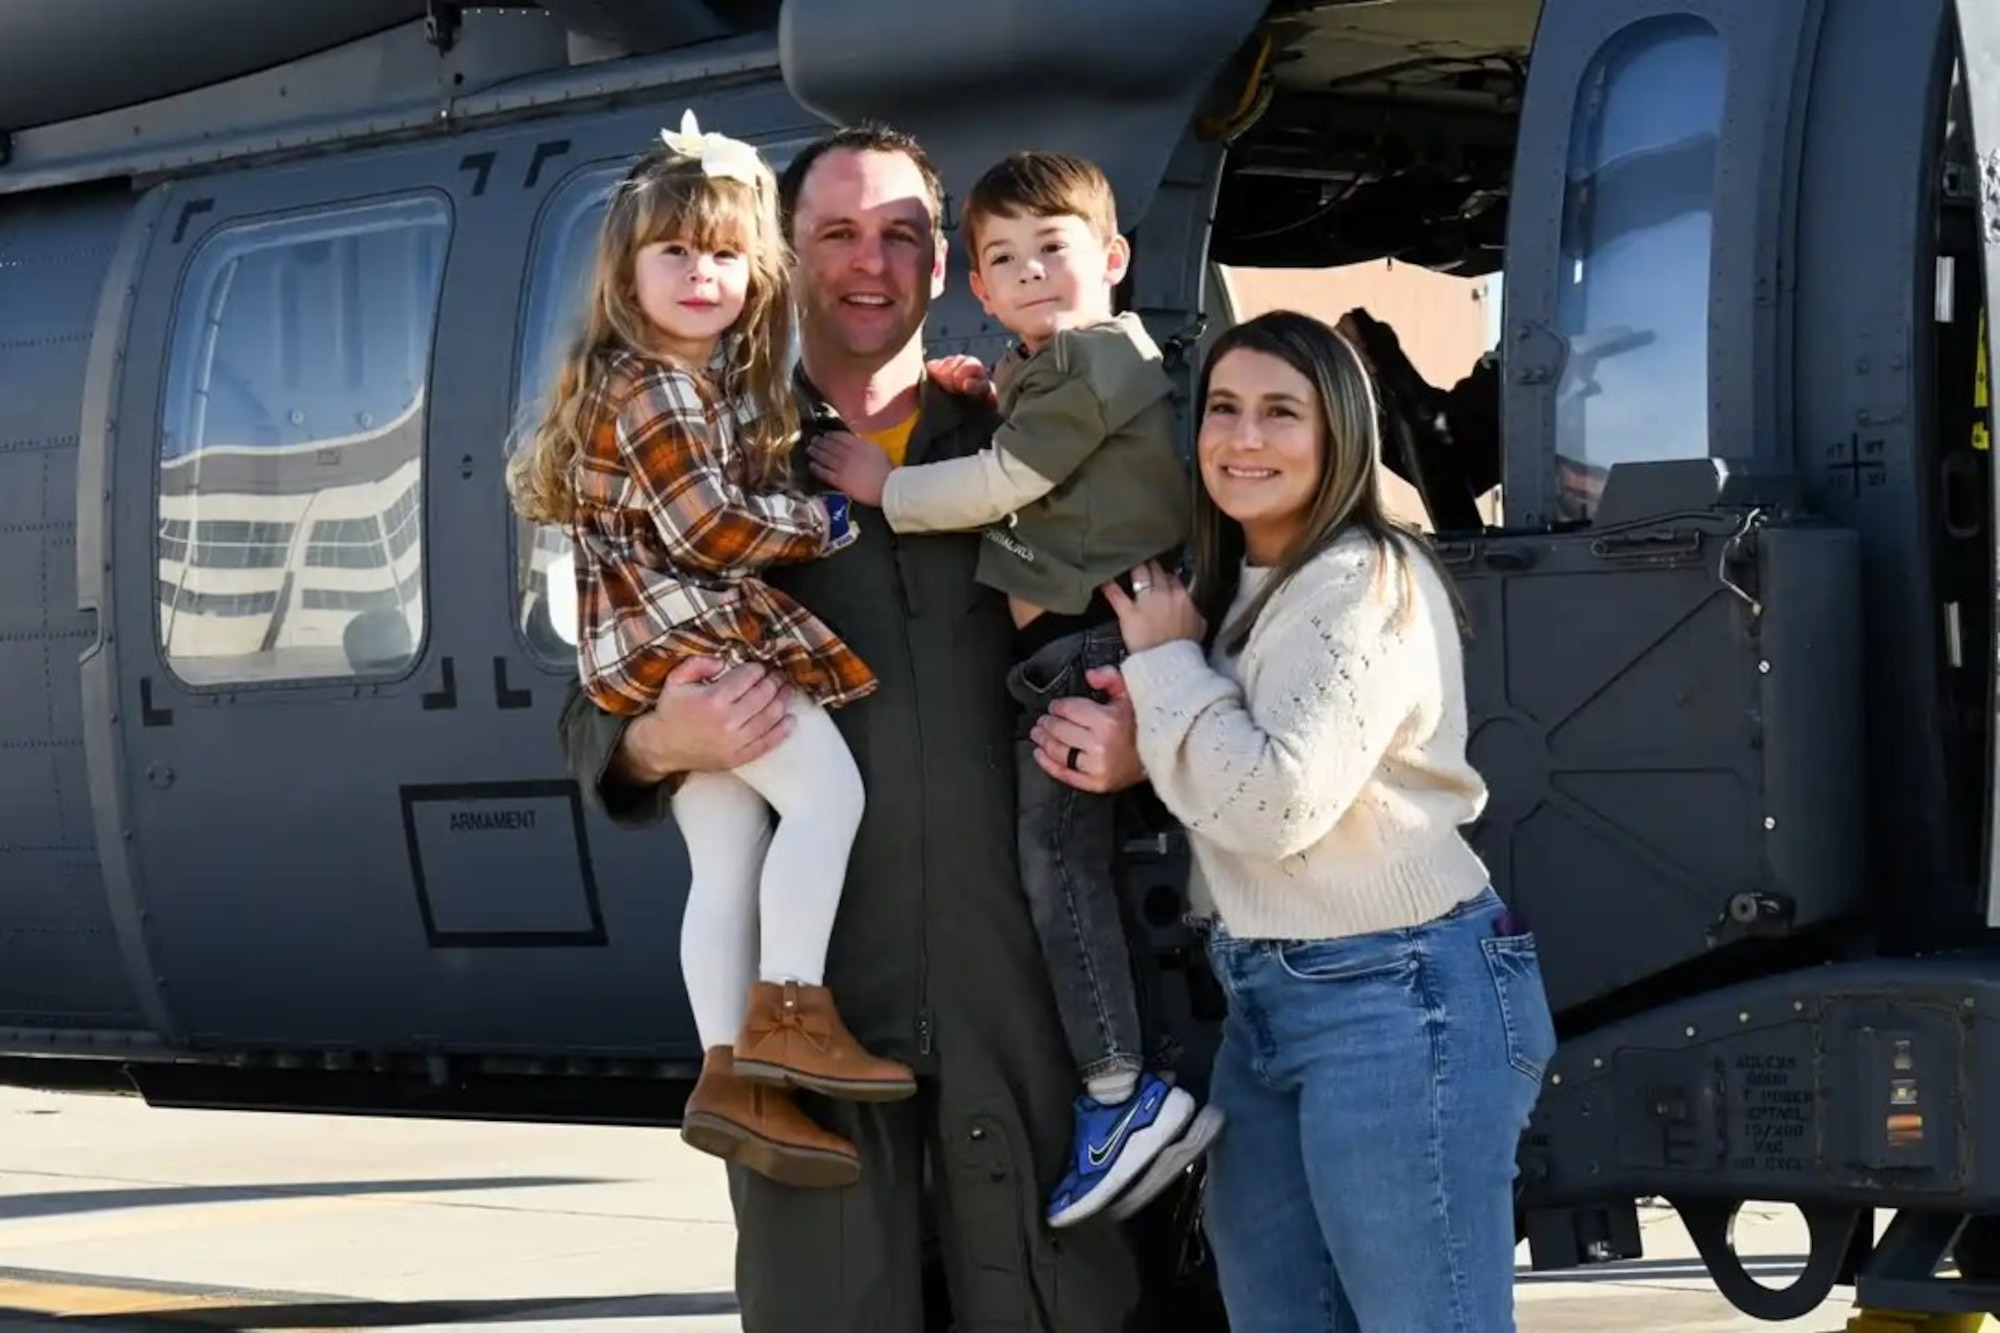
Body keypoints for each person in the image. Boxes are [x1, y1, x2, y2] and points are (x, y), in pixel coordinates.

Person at [557, 122, 1145, 1333]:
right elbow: (592, 702)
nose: (869, 262)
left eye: (902, 235)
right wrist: (664, 738)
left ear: (945, 267)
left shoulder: (1021, 439)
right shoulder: (699, 446)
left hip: (1019, 1008)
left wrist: (1145, 743)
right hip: (809, 1034)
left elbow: (1183, 621)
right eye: (835, 233)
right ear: (782, 255)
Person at [1090, 309, 1557, 1331]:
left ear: (1337, 432)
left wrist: (1165, 666)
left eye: (1278, 413)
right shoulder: (1240, 583)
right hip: (1264, 994)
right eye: (1221, 409)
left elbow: (1270, 803)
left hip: (1397, 998)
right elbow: (1229, 767)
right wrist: (1144, 739)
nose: (1242, 438)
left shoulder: (1357, 582)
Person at [807, 148, 1217, 1229]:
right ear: (977, 290)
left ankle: (1120, 1091)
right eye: (1004, 258)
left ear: (1112, 258)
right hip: (1072, 653)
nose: (1032, 272)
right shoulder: (1049, 367)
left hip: (1091, 648)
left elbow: (1008, 481)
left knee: (1057, 873)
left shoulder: (1087, 361)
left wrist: (883, 486)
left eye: (1055, 247)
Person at [508, 112, 918, 1189]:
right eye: (676, 252)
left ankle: (728, 1073)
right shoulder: (656, 385)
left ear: (757, 271)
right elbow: (705, 529)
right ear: (626, 271)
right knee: (826, 797)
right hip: (697, 643)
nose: (703, 274)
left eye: (727, 255)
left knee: (725, 859)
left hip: (652, 656)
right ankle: (790, 1008)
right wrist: (824, 524)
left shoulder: (657, 382)